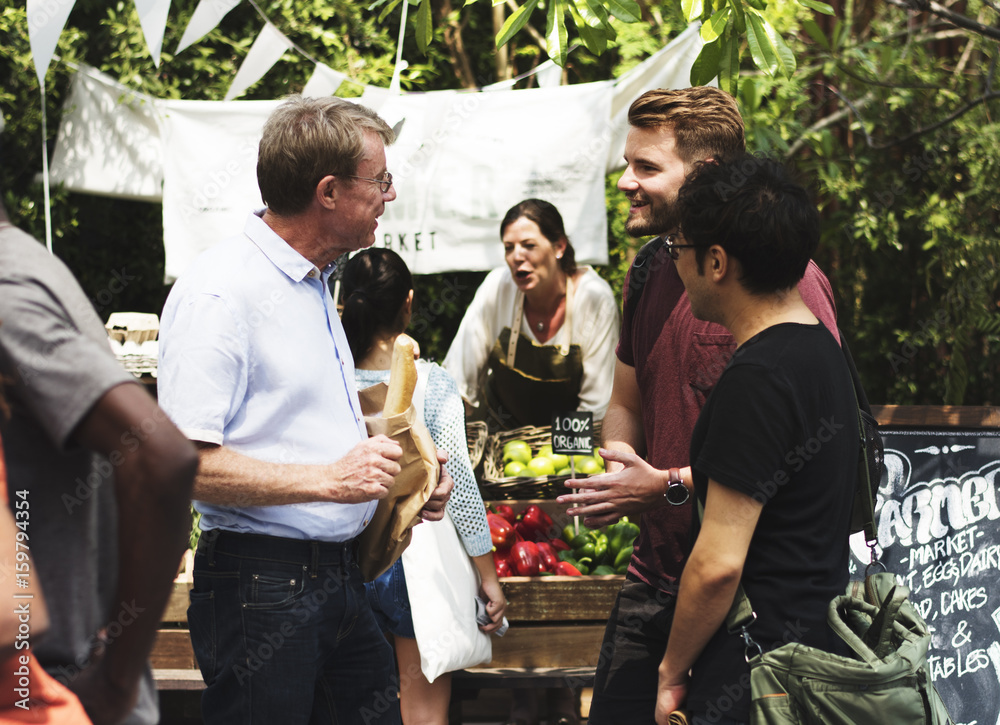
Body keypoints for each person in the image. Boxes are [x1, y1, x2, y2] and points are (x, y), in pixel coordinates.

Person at [157, 95, 453, 725]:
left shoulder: (318, 279)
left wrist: (404, 484)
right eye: (380, 181)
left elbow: (307, 432)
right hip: (260, 587)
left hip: (337, 584)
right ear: (327, 192)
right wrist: (328, 481)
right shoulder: (221, 290)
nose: (390, 195)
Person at [556, 86, 840, 723]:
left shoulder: (785, 288)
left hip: (743, 595)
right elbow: (626, 397)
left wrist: (671, 488)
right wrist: (620, 468)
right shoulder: (649, 271)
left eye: (647, 168)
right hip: (654, 573)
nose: (626, 181)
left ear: (706, 176)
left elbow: (801, 440)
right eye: (628, 163)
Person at [654, 154, 857, 724]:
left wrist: (671, 672)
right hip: (816, 660)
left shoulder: (758, 379)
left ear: (716, 261)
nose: (676, 266)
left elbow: (718, 563)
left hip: (760, 678)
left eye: (679, 251)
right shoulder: (822, 350)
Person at [0, 195, 199, 725]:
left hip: (41, 692)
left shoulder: (7, 294)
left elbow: (163, 458)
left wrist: (115, 680)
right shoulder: (24, 264)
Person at [340, 247, 507, 725]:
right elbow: (462, 492)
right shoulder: (430, 383)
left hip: (341, 560)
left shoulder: (331, 379)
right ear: (408, 303)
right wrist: (489, 578)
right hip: (411, 567)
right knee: (423, 716)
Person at [443, 198, 619, 430]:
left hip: (572, 447)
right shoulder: (497, 287)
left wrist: (555, 458)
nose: (516, 257)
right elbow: (458, 383)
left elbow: (597, 407)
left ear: (559, 247)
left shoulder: (594, 299)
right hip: (501, 439)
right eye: (509, 248)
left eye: (529, 245)